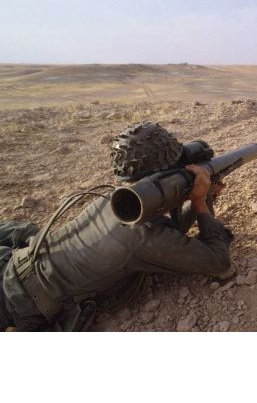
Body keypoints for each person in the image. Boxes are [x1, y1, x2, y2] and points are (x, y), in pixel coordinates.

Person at [0, 121, 233, 331]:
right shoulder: (143, 236)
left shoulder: (112, 199)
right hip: (16, 306)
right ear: (165, 174)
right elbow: (218, 261)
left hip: (11, 264)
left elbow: (164, 234)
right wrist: (200, 202)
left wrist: (196, 197)